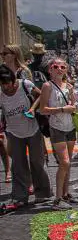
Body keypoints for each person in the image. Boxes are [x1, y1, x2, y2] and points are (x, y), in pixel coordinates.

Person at [0, 64, 51, 209]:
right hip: (14, 133)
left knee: (37, 162)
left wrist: (33, 108)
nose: (5, 88)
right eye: (2, 85)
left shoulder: (25, 85)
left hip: (33, 130)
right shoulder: (1, 92)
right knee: (18, 165)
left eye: (7, 84)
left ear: (12, 80)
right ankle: (20, 196)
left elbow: (41, 95)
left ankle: (43, 194)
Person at [38, 58, 78, 208]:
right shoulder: (47, 86)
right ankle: (57, 199)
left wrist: (72, 99)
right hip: (57, 128)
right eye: (55, 66)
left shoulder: (68, 86)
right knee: (64, 162)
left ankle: (65, 194)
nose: (59, 69)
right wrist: (63, 109)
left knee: (67, 164)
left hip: (70, 126)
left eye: (63, 67)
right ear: (50, 69)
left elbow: (74, 106)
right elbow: (42, 109)